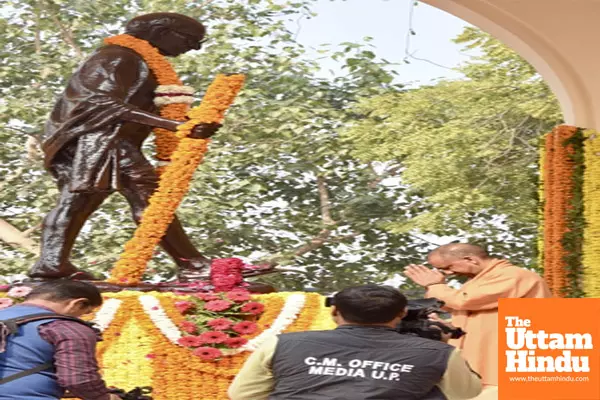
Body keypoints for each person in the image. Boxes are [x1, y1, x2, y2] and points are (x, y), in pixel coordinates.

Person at [28, 13, 220, 282]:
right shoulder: (119, 57)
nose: (194, 48)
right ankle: (194, 265)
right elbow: (99, 104)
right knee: (150, 199)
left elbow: (141, 107)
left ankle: (50, 266)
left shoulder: (140, 61)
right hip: (97, 139)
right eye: (190, 40)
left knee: (78, 203)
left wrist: (187, 123)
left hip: (106, 141)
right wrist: (172, 125)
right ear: (160, 31)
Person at [228, 284, 482, 400]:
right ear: (402, 313)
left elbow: (241, 395)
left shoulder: (281, 343)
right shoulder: (437, 353)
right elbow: (465, 394)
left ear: (334, 311)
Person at [403, 243, 552, 394]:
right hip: (480, 362)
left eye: (447, 267)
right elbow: (456, 307)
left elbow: (465, 301)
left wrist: (434, 285)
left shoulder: (513, 275)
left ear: (470, 259)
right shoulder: (479, 280)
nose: (448, 273)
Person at [0, 280, 120, 400]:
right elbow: (78, 380)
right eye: (84, 313)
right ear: (78, 303)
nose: (80, 317)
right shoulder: (66, 328)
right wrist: (107, 397)